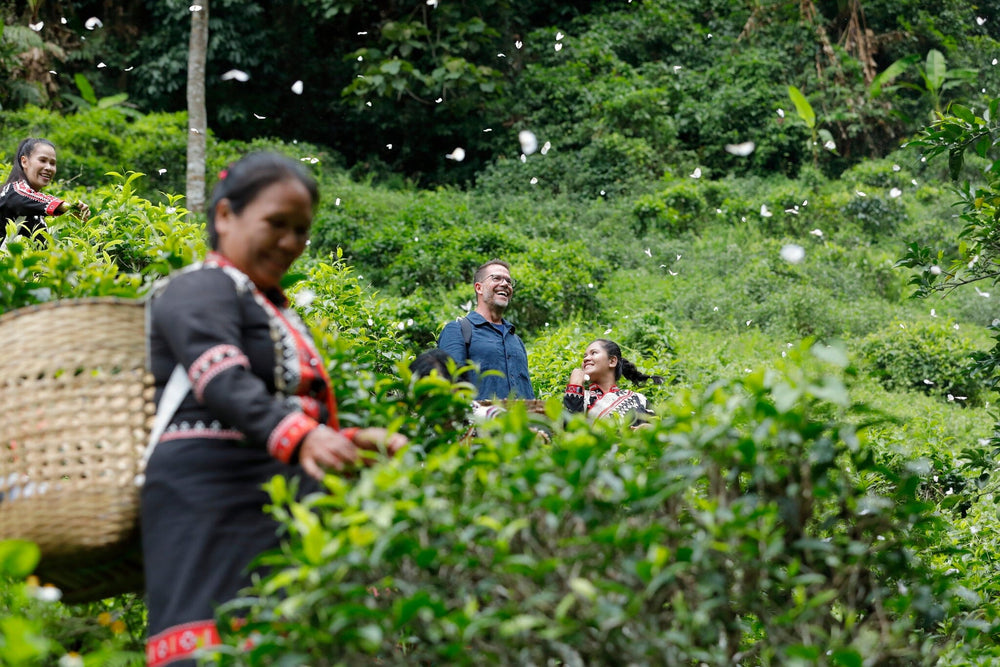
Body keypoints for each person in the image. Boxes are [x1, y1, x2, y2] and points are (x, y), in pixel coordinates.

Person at [142, 152, 407, 667]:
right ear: (225, 217)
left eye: (302, 230)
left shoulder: (268, 303)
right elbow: (219, 377)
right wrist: (305, 438)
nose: (291, 242)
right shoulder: (199, 286)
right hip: (212, 507)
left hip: (275, 505)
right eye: (276, 224)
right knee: (212, 647)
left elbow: (278, 406)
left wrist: (348, 441)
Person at [438, 259, 534, 400]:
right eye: (496, 278)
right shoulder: (458, 330)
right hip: (480, 421)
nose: (505, 284)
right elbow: (450, 386)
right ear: (479, 288)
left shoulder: (516, 340)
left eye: (509, 281)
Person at [0, 137, 90, 240]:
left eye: (52, 163)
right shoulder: (12, 191)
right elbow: (19, 199)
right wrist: (68, 207)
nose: (48, 168)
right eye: (42, 160)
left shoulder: (36, 211)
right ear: (24, 162)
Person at [563, 339, 664, 426]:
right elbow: (569, 429)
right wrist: (574, 386)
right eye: (584, 356)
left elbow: (659, 431)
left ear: (612, 361)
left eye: (593, 353)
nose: (586, 359)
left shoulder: (638, 398)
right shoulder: (583, 398)